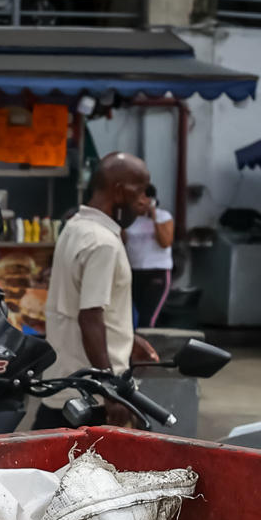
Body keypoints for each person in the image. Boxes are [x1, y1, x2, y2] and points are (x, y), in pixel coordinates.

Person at [45, 153, 159, 422]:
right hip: (91, 395)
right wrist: (110, 392)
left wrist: (127, 338)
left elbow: (84, 307)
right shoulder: (103, 243)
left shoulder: (75, 226)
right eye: (141, 190)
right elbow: (90, 318)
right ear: (119, 192)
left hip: (64, 382)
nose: (145, 200)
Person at [125, 182, 174, 328]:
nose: (139, 202)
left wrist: (153, 217)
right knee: (131, 315)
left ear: (151, 200)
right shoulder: (130, 219)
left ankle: (149, 347)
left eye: (143, 198)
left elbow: (165, 242)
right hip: (134, 270)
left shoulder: (163, 216)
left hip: (156, 271)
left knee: (147, 318)